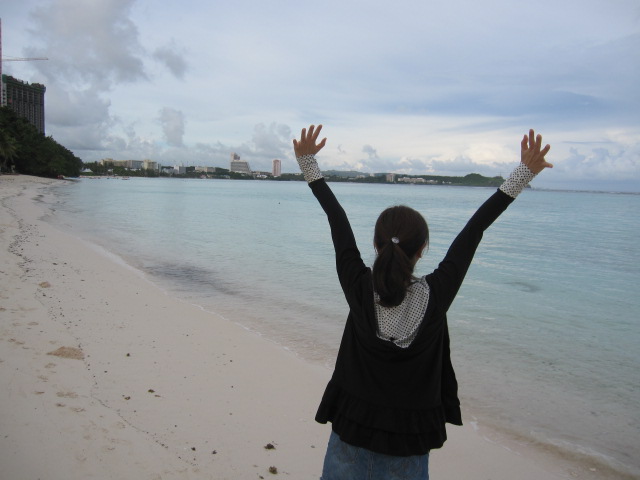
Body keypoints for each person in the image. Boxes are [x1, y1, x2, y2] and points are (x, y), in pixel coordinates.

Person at [293, 125, 552, 480]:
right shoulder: (436, 295)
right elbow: (474, 230)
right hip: (408, 444)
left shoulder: (358, 287)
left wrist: (308, 164)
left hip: (350, 435)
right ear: (421, 250)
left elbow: (336, 219)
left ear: (376, 245)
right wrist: (522, 174)